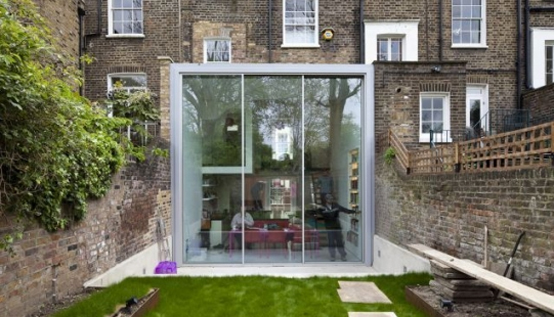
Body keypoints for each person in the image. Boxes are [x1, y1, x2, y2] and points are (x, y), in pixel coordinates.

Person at [315, 193, 356, 261]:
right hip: (329, 227)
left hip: (337, 227)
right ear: (326, 200)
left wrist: (354, 211)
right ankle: (332, 256)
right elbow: (316, 214)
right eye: (329, 199)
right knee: (331, 242)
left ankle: (343, 255)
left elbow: (344, 210)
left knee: (339, 241)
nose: (330, 200)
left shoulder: (336, 206)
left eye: (331, 199)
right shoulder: (322, 208)